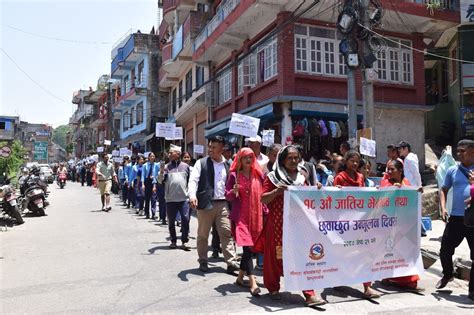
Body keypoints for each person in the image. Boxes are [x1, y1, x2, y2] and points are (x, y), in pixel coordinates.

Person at [260, 145, 326, 306]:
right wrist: (276, 192)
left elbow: (309, 197)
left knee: (302, 256)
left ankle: (309, 294)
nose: (294, 160)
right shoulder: (273, 177)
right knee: (278, 257)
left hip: (299, 225)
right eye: (290, 158)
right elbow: (263, 199)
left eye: (296, 157)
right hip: (277, 226)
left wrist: (316, 189)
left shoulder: (303, 176)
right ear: (282, 159)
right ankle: (273, 287)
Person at [188, 136, 239, 273]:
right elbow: (193, 180)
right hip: (206, 204)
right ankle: (203, 260)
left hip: (223, 204)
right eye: (209, 147)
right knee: (203, 235)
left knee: (226, 233)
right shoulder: (201, 163)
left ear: (222, 149)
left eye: (214, 147)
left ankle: (231, 262)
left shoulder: (229, 165)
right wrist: (192, 195)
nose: (210, 150)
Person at [334, 150, 379, 299]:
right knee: (343, 252)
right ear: (345, 161)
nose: (354, 163)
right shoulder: (340, 178)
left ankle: (367, 286)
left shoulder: (361, 177)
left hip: (360, 222)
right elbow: (333, 200)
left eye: (356, 161)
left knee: (364, 252)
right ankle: (338, 277)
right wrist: (337, 192)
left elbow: (364, 196)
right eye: (352, 160)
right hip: (344, 224)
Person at [436, 139, 474, 301]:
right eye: (458, 151)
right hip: (456, 218)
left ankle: (472, 291)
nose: (458, 154)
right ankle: (447, 274)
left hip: (473, 219)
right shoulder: (452, 170)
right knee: (445, 250)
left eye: (462, 151)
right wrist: (443, 208)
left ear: (473, 152)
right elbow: (443, 190)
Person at [380, 159, 424, 292]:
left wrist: (417, 192)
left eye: (392, 169)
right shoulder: (385, 182)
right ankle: (388, 277)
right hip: (388, 223)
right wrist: (394, 189)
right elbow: (382, 196)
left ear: (400, 170)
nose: (389, 172)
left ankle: (408, 280)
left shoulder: (407, 183)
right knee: (389, 252)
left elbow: (410, 198)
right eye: (388, 169)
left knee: (405, 251)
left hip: (404, 223)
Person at [225, 148, 264, 296]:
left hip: (255, 216)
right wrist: (233, 191)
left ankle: (240, 277)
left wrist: (265, 211)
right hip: (240, 217)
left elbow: (263, 194)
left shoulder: (258, 175)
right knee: (247, 249)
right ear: (240, 160)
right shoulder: (234, 176)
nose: (248, 160)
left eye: (250, 157)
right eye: (245, 157)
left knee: (249, 250)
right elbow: (227, 196)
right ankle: (253, 283)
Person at [158, 145, 191, 250]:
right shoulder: (166, 167)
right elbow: (160, 181)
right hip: (170, 199)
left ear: (178, 154)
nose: (169, 154)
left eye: (171, 152)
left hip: (184, 199)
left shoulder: (186, 167)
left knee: (185, 219)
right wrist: (162, 171)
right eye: (169, 153)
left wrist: (191, 195)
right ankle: (173, 240)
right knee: (171, 221)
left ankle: (184, 240)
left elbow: (190, 182)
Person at [141, 153, 160, 220]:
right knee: (147, 198)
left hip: (154, 182)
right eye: (151, 156)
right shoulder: (145, 165)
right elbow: (143, 175)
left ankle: (153, 213)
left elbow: (158, 174)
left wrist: (155, 181)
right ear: (148, 157)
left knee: (153, 198)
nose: (152, 157)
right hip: (147, 182)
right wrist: (143, 184)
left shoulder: (157, 165)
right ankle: (147, 213)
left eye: (153, 156)